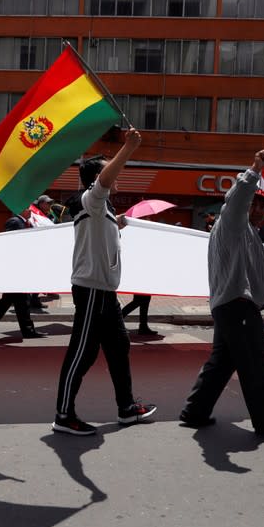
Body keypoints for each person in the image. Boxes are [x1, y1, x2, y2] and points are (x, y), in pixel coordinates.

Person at [179, 150, 264, 440]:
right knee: (257, 364)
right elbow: (238, 198)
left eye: (263, 204)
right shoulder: (233, 221)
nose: (259, 209)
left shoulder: (245, 230)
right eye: (255, 203)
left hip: (230, 305)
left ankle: (195, 412)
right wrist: (255, 169)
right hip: (237, 305)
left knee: (223, 361)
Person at [52, 128, 157, 436]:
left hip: (105, 291)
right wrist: (129, 148)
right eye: (107, 170)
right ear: (94, 179)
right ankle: (63, 415)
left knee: (119, 346)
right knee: (82, 352)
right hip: (92, 289)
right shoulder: (91, 199)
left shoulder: (104, 210)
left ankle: (126, 408)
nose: (114, 176)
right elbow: (102, 184)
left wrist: (121, 222)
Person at [0, 208, 46, 340]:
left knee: (21, 301)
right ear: (20, 209)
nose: (30, 211)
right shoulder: (14, 222)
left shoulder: (25, 223)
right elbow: (10, 243)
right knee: (8, 302)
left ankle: (27, 330)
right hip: (14, 271)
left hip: (19, 270)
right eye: (28, 208)